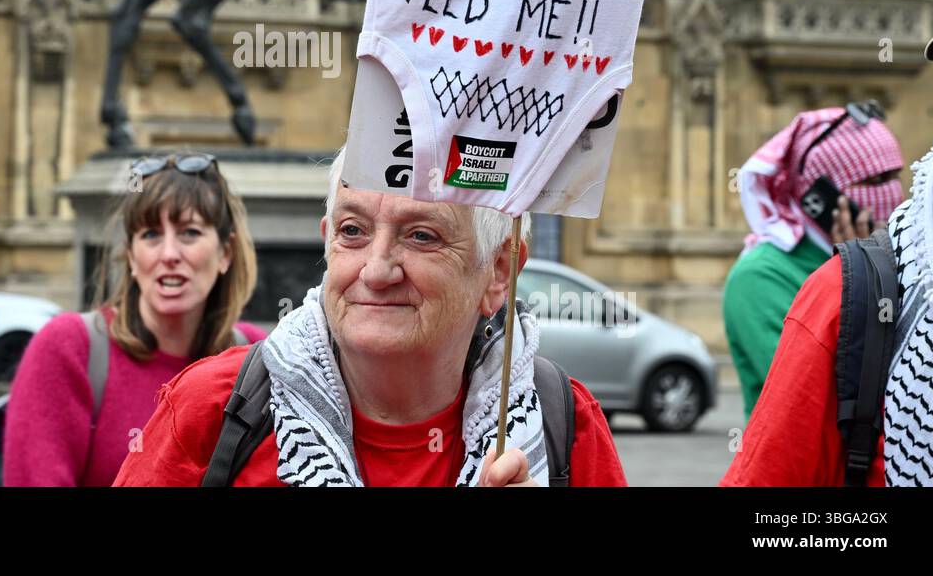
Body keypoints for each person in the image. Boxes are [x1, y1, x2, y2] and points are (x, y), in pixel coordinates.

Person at [113, 146, 627, 487]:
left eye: (422, 236)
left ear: (499, 272)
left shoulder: (566, 424)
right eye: (353, 232)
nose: (376, 270)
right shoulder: (213, 408)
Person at [3, 153, 267, 486]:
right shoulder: (69, 348)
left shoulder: (258, 362)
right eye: (151, 235)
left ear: (225, 253)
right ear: (130, 255)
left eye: (189, 232)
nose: (169, 254)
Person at [723, 105, 904, 417]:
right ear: (819, 198)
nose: (891, 193)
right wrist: (858, 276)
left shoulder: (894, 256)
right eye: (874, 182)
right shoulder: (759, 277)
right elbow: (817, 401)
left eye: (894, 177)